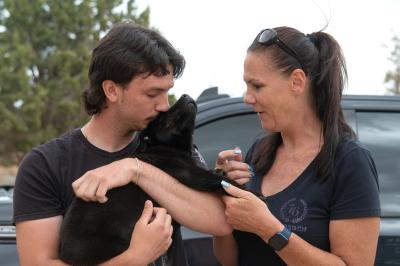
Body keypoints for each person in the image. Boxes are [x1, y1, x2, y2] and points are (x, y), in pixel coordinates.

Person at [13, 22, 231, 266]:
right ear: (112, 90)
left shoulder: (169, 146)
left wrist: (136, 169)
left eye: (167, 92)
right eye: (152, 94)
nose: (164, 105)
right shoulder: (45, 165)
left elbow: (220, 221)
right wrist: (135, 258)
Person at [213, 26, 381, 266]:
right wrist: (221, 194)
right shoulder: (258, 154)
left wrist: (268, 227)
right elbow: (230, 260)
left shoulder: (350, 161)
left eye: (257, 86)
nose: (247, 98)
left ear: (297, 82)